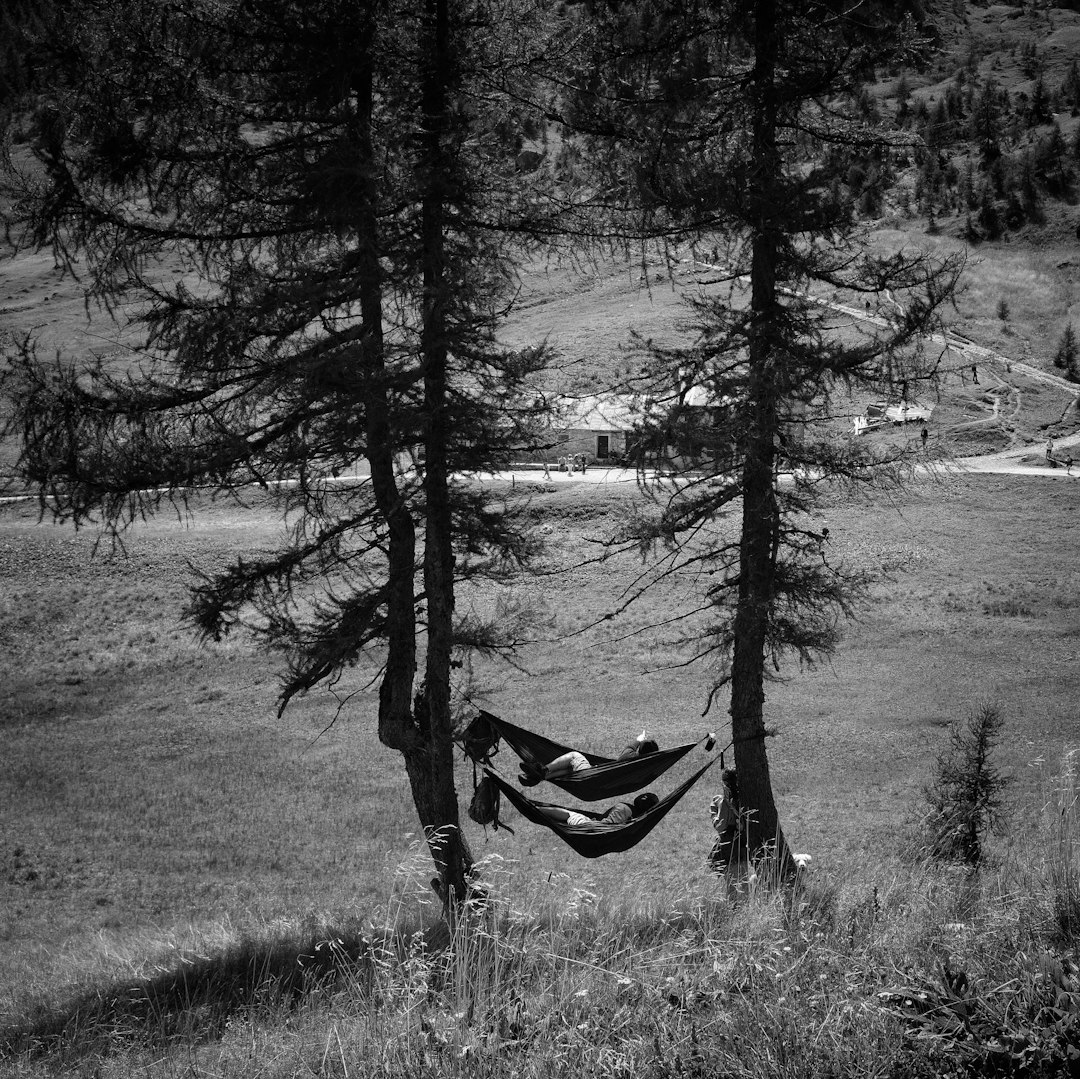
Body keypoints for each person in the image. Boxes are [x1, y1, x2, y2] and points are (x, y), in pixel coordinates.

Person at [519, 731, 659, 786]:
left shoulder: (629, 757)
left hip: (593, 777)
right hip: (599, 784)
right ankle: (535, 777)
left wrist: (640, 739)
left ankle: (543, 769)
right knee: (569, 769)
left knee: (575, 756)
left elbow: (631, 745)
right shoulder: (646, 768)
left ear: (639, 750)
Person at [535, 792, 658, 828]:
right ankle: (535, 809)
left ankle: (535, 809)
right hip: (591, 827)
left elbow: (606, 827)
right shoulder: (635, 816)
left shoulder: (625, 809)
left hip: (590, 828)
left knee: (568, 814)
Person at [707, 769, 744, 873]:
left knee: (732, 883)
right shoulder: (745, 798)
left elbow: (720, 826)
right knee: (743, 881)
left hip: (729, 844)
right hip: (743, 845)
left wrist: (714, 812)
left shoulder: (723, 801)